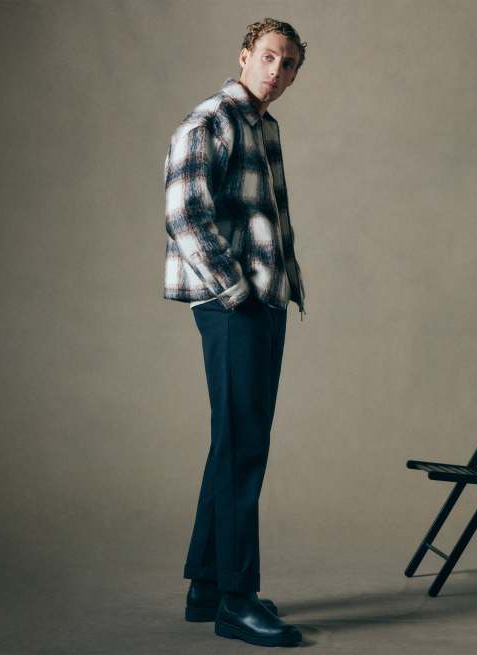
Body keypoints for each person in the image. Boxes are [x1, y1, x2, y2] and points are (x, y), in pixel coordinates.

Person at [162, 17, 307, 647]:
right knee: (243, 449)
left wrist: (281, 289)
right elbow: (185, 216)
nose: (277, 71)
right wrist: (236, 291)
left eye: (289, 63)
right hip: (233, 306)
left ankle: (207, 587)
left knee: (236, 443)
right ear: (245, 55)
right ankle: (237, 600)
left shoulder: (263, 127)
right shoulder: (211, 121)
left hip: (263, 302)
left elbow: (267, 219)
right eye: (269, 57)